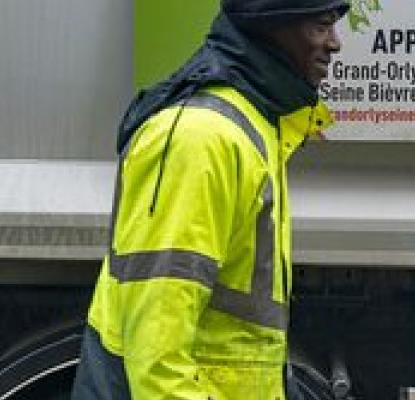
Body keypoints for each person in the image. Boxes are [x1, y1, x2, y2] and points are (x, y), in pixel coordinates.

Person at [74, 0, 347, 398]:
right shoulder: (202, 138)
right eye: (322, 26)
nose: (335, 43)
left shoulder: (254, 123)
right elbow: (158, 355)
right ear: (272, 27)